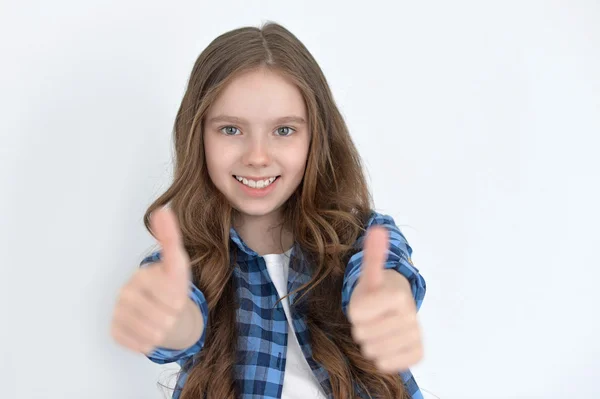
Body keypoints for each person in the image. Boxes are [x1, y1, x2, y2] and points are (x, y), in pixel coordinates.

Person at [110, 21, 427, 399]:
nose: (257, 157)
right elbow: (175, 327)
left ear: (316, 138)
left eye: (284, 131)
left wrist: (382, 300)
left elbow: (387, 271)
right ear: (198, 137)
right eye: (230, 130)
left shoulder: (362, 239)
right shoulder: (183, 262)